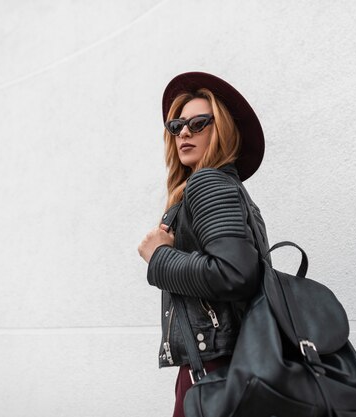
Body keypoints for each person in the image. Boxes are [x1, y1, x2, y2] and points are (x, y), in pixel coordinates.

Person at [137, 71, 270, 417]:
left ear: (221, 130)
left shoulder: (208, 182)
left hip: (215, 372)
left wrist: (159, 258)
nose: (184, 132)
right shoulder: (225, 187)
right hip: (226, 367)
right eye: (177, 125)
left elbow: (234, 272)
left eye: (198, 123)